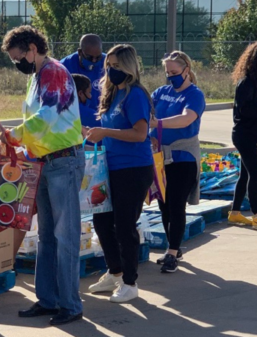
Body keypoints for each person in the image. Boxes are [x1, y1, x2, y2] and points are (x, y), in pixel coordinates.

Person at [0, 25, 85, 325]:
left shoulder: (53, 72)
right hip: (46, 162)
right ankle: (48, 299)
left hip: (63, 162)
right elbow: (40, 121)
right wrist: (24, 148)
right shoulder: (38, 77)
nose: (17, 63)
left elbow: (46, 117)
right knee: (47, 236)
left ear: (32, 49)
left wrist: (15, 136)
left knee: (65, 236)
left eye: (17, 57)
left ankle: (70, 304)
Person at [85, 44, 154, 301]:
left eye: (116, 66)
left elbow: (140, 134)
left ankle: (130, 283)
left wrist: (105, 133)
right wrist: (92, 133)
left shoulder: (135, 95)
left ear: (129, 67)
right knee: (102, 222)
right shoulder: (113, 94)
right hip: (110, 168)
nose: (112, 71)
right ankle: (114, 271)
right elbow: (110, 130)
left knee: (124, 226)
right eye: (109, 66)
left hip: (133, 169)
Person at [148, 51, 205, 273]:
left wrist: (157, 123)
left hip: (184, 156)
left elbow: (187, 118)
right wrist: (149, 130)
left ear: (186, 70)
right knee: (164, 203)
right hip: (161, 157)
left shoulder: (195, 94)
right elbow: (146, 112)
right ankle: (174, 246)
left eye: (174, 72)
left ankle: (172, 252)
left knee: (176, 203)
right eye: (167, 73)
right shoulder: (161, 92)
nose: (171, 77)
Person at [227, 41, 257, 229]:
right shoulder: (247, 82)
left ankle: (235, 212)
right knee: (255, 172)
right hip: (243, 134)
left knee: (245, 174)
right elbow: (244, 110)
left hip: (248, 134)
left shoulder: (254, 82)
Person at [61, 34, 106, 138]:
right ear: (80, 52)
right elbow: (64, 103)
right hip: (76, 117)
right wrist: (95, 118)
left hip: (102, 115)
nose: (94, 61)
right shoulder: (65, 67)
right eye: (90, 57)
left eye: (98, 57)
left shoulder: (107, 62)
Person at [71, 74, 97, 145]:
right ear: (80, 93)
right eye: (89, 92)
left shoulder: (55, 112)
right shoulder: (94, 116)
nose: (90, 96)